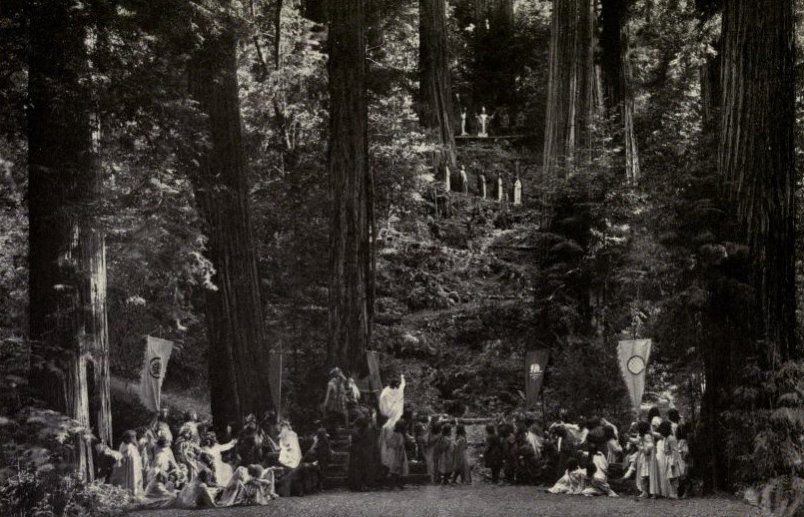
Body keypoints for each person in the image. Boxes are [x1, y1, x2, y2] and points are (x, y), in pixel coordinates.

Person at [110, 430, 144, 497]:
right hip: (129, 466)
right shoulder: (124, 445)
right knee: (130, 479)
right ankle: (130, 493)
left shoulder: (131, 445)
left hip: (134, 465)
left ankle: (135, 492)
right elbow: (123, 455)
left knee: (135, 478)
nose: (134, 439)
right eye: (132, 437)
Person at [348, 417, 371, 491]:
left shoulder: (354, 431)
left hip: (355, 451)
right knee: (361, 468)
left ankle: (356, 485)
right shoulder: (363, 432)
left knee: (356, 469)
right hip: (360, 451)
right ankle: (360, 485)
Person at [656, 420, 678, 498]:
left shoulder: (671, 438)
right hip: (667, 458)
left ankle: (675, 493)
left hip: (671, 459)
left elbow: (674, 451)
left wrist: (673, 462)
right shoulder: (666, 438)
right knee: (670, 477)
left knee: (674, 477)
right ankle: (672, 492)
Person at [386, 419, 409, 489]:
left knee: (393, 468)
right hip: (397, 452)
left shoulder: (392, 433)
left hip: (391, 452)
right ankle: (397, 484)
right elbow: (400, 446)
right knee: (398, 468)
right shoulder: (399, 435)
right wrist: (400, 456)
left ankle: (393, 484)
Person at [634, 421, 655, 498]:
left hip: (648, 457)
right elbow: (638, 442)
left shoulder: (647, 436)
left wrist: (643, 448)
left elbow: (650, 445)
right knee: (643, 474)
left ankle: (648, 491)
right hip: (643, 456)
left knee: (646, 474)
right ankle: (645, 491)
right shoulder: (640, 436)